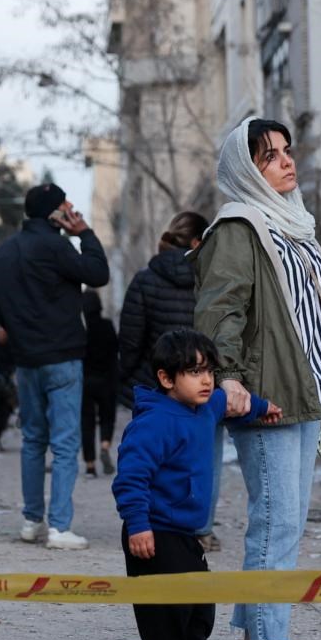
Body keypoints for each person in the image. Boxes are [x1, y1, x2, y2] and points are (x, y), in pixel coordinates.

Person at [194, 117, 321, 640]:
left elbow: (315, 319)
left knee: (287, 522)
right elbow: (219, 313)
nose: (285, 161)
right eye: (269, 155)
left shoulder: (295, 225)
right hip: (266, 395)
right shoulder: (238, 227)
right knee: (275, 522)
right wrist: (228, 381)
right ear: (245, 170)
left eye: (286, 151)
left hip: (305, 393)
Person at [114, 328, 281, 640]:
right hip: (154, 532)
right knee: (166, 611)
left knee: (200, 607)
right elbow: (131, 477)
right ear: (166, 379)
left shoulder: (206, 407)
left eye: (209, 371)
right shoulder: (154, 423)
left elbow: (230, 402)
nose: (206, 380)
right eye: (193, 372)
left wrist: (262, 408)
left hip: (187, 533)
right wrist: (138, 525)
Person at [0, 183, 109, 550]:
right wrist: (84, 233)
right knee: (65, 443)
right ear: (53, 212)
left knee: (32, 440)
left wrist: (20, 335)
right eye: (65, 204)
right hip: (62, 358)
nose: (71, 208)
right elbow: (98, 273)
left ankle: (31, 521)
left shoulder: (5, 251)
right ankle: (59, 527)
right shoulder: (56, 246)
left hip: (26, 361)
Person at [119, 211, 222, 548]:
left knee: (152, 456)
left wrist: (127, 377)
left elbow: (131, 338)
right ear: (197, 242)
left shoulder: (145, 280)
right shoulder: (209, 281)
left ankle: (155, 519)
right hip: (202, 385)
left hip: (156, 383)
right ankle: (200, 527)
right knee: (203, 456)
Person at [82, 290, 119, 477]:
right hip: (106, 380)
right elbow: (115, 351)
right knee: (107, 416)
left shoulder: (81, 329)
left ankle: (90, 465)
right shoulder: (107, 326)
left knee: (86, 422)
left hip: (85, 381)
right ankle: (105, 445)